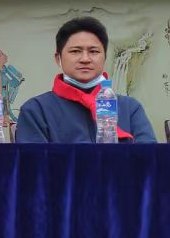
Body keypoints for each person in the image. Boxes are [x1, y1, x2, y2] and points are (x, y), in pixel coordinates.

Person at [15, 16, 157, 143]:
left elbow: (149, 158)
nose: (85, 59)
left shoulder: (130, 108)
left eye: (93, 51)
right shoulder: (36, 110)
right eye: (75, 51)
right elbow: (34, 162)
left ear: (105, 58)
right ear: (58, 59)